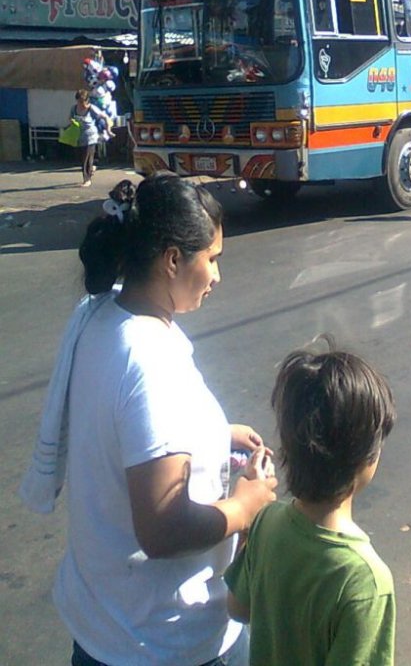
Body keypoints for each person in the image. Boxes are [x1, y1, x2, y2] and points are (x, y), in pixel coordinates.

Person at [20, 173, 277, 666]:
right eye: (213, 259)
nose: (218, 276)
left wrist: (212, 435)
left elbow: (120, 429)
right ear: (173, 259)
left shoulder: (98, 316)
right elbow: (161, 529)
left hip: (103, 623)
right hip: (163, 642)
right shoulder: (150, 362)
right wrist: (244, 508)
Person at [224, 347, 397, 666]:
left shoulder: (266, 523)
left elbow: (238, 608)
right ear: (367, 458)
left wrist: (248, 532)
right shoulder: (366, 581)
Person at [70, 89, 110, 187]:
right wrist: (72, 122)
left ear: (87, 101)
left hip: (91, 137)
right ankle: (92, 169)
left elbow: (105, 117)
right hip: (79, 137)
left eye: (82, 102)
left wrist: (108, 130)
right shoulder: (74, 109)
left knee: (86, 158)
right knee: (81, 157)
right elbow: (70, 118)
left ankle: (87, 179)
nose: (80, 104)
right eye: (78, 101)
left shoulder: (91, 109)